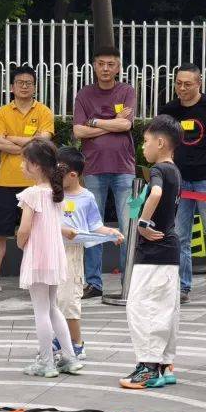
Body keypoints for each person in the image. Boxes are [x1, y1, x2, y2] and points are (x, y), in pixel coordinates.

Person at [0, 65, 54, 295]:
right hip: (7, 181)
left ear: (35, 86)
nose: (25, 86)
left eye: (29, 82)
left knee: (39, 231)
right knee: (0, 232)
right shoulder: (1, 113)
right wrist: (30, 143)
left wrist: (13, 140)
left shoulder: (44, 112)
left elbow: (43, 143)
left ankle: (40, 279)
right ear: (12, 87)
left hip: (37, 184)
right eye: (20, 82)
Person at [120, 115, 182, 389]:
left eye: (145, 141)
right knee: (165, 308)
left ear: (160, 143)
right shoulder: (176, 171)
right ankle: (165, 365)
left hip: (153, 253)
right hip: (169, 252)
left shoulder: (159, 170)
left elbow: (155, 194)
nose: (142, 147)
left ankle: (148, 367)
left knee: (142, 307)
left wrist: (143, 224)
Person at [15, 139, 82, 377]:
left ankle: (46, 362)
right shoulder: (56, 193)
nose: (22, 166)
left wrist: (20, 242)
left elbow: (25, 229)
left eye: (25, 162)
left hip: (38, 256)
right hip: (54, 256)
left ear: (35, 165)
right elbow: (55, 225)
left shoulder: (31, 194)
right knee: (53, 308)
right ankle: (70, 357)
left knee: (41, 310)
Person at [72, 46, 136, 299]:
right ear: (94, 66)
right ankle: (94, 282)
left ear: (118, 67)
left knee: (127, 227)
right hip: (94, 168)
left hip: (124, 169)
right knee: (92, 227)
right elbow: (78, 131)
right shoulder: (84, 94)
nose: (106, 69)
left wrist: (95, 122)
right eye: (101, 63)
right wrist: (112, 125)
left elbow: (126, 124)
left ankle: (128, 282)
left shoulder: (126, 91)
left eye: (111, 64)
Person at [158, 64, 206, 302]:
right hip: (180, 179)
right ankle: (182, 287)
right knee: (179, 234)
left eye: (188, 84)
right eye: (178, 83)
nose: (182, 88)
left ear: (199, 84)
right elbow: (160, 137)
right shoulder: (169, 109)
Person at [54, 147, 123, 359]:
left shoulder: (87, 197)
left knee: (70, 299)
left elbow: (95, 226)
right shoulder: (51, 193)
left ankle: (77, 343)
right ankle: (59, 338)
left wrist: (111, 232)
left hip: (72, 253)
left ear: (73, 175)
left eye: (59, 173)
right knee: (54, 300)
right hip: (51, 251)